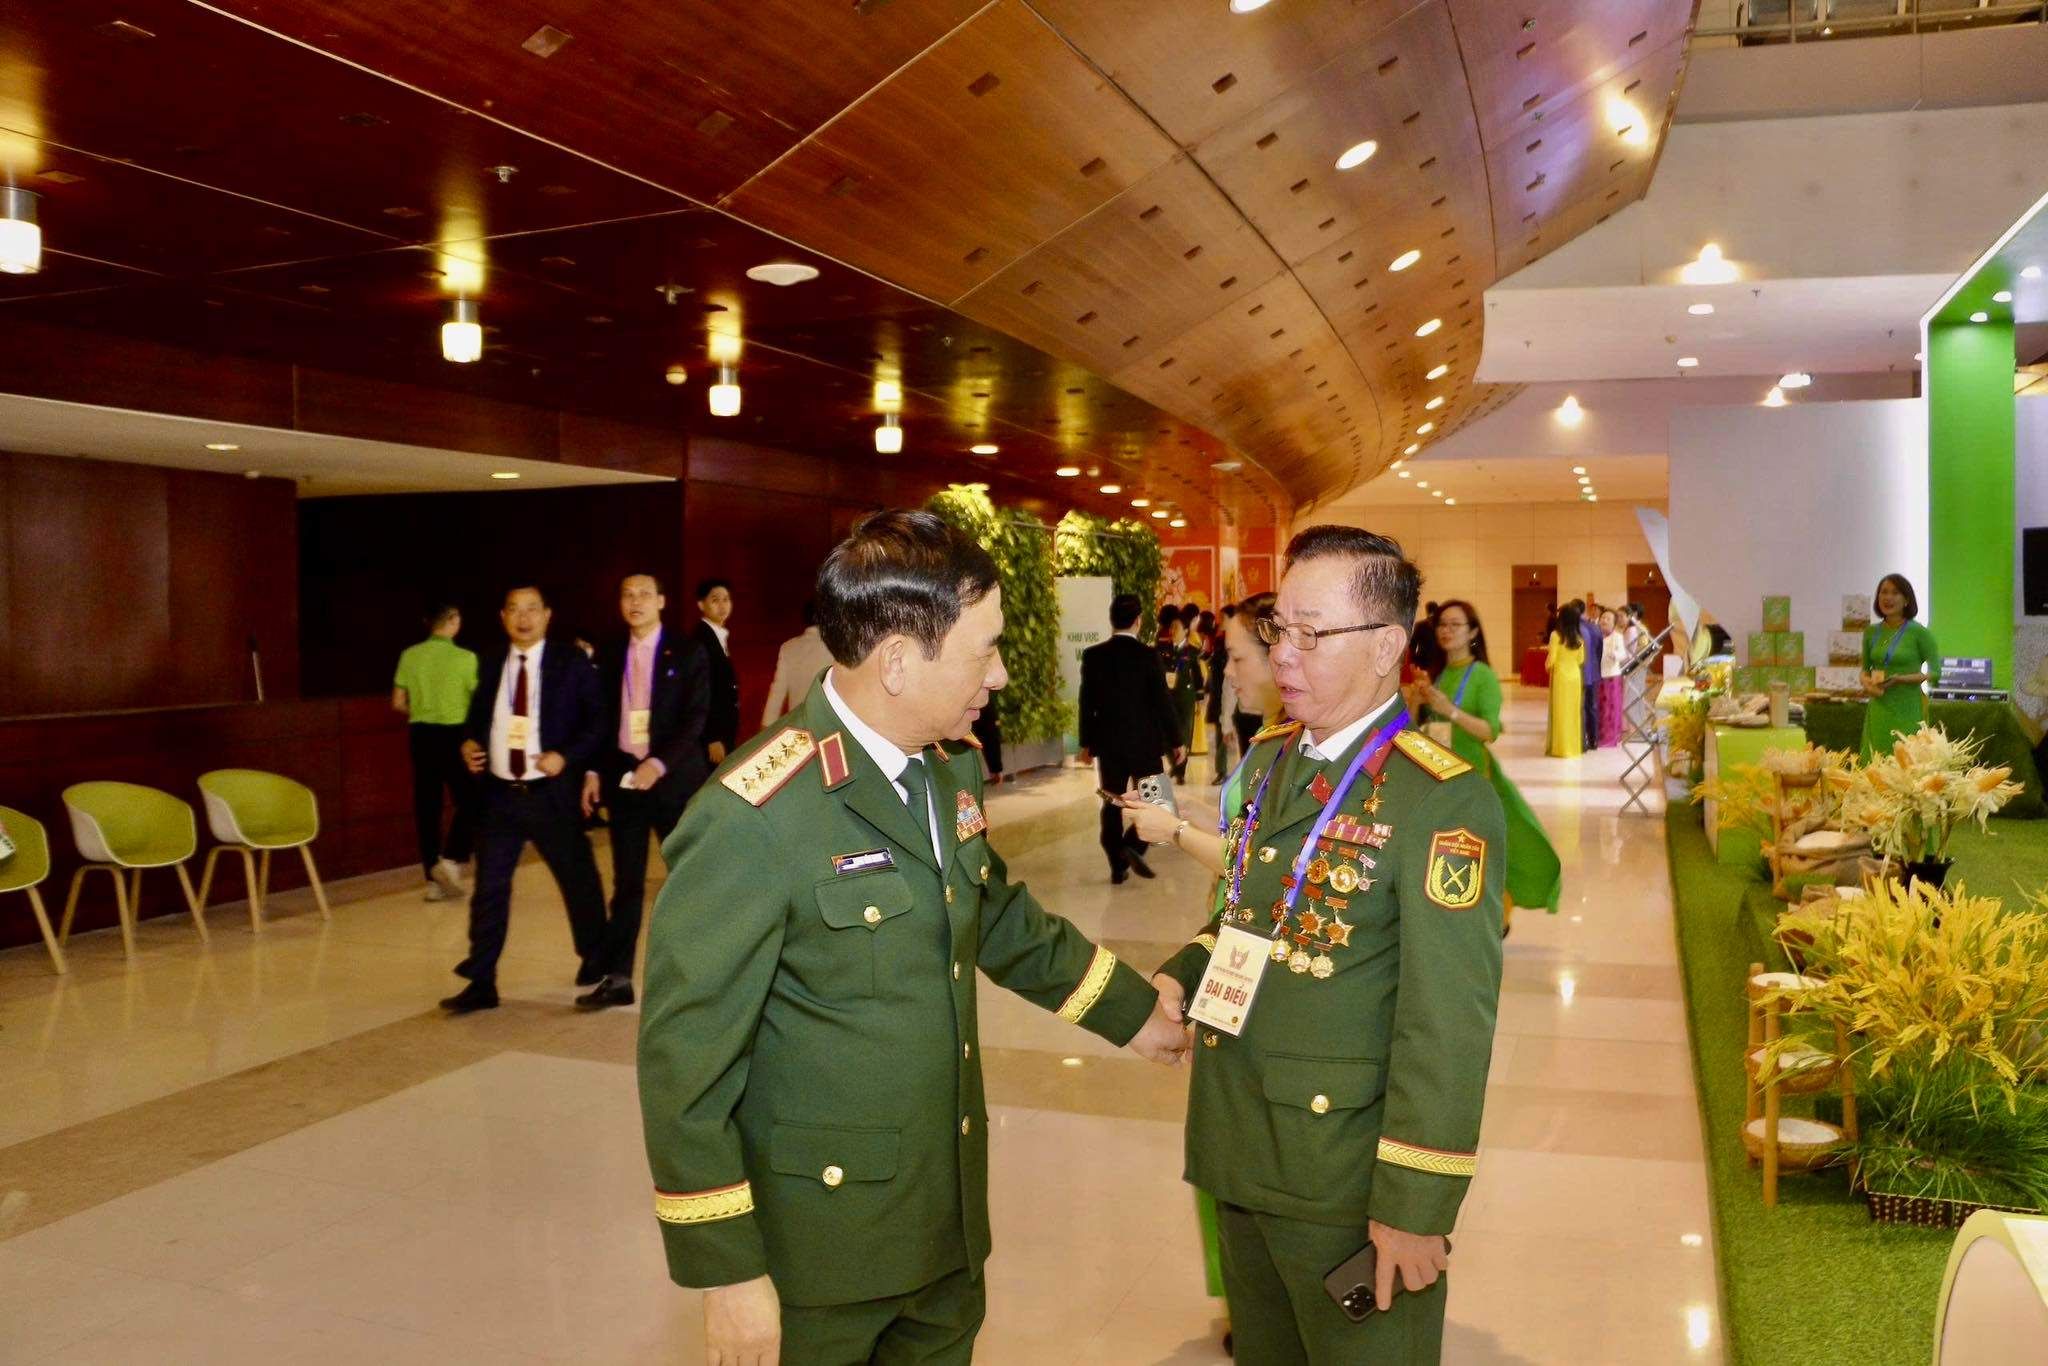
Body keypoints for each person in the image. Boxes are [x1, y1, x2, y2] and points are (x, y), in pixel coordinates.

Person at [635, 509, 1190, 1366]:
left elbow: (992, 913)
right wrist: (728, 1272)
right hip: (820, 1257)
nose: (1001, 674)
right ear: (897, 659)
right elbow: (685, 1059)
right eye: (984, 650)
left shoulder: (945, 767)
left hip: (944, 1222)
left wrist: (1133, 1011)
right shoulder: (754, 815)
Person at [1147, 525, 1506, 1364]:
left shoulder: (1437, 801)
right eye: (1281, 628)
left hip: (1344, 1176)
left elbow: (1448, 1023)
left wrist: (1415, 1202)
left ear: (1386, 646)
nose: (1283, 653)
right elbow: (1247, 915)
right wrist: (1180, 978)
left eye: (1312, 633)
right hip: (1241, 1142)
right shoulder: (1274, 759)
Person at [441, 585, 610, 1014]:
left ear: (547, 615)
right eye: (514, 610)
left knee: (577, 878)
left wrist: (566, 757)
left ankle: (595, 957)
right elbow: (478, 719)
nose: (523, 617)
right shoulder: (490, 661)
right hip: (500, 795)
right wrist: (469, 743)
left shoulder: (569, 661)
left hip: (550, 793)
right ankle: (482, 979)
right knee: (489, 888)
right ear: (503, 617)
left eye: (532, 609)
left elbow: (597, 721)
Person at [576, 574, 711, 1010]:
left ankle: (704, 974)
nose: (635, 602)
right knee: (627, 883)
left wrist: (658, 763)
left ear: (662, 601)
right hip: (626, 783)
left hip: (673, 782)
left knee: (688, 879)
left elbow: (695, 718)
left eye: (644, 595)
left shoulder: (686, 651)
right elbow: (599, 718)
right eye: (627, 595)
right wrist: (593, 770)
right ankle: (618, 979)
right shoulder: (609, 653)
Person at [1419, 601, 1563, 933]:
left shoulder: (1482, 676)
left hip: (1470, 777)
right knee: (1444, 849)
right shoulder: (1440, 673)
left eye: (1455, 624)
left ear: (1472, 632)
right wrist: (1419, 701)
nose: (1446, 630)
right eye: (1442, 624)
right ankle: (1453, 913)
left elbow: (1490, 730)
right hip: (1438, 775)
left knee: (1473, 848)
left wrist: (1450, 710)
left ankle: (1498, 914)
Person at [1079, 593, 1186, 884]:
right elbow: (1163, 702)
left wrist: (1086, 743)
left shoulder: (1094, 656)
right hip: (1145, 743)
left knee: (1112, 801)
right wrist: (1176, 740)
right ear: (1138, 621)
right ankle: (1133, 845)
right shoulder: (1148, 656)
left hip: (1109, 744)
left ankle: (1117, 864)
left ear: (1112, 620)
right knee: (1156, 798)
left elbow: (1086, 702)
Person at [391, 603, 479, 902]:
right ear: (452, 620)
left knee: (427, 807)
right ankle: (450, 860)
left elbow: (397, 702)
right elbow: (478, 702)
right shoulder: (466, 658)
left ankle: (433, 880)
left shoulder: (410, 655)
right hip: (456, 735)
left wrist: (421, 710)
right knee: (472, 800)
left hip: (421, 735)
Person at [1861, 573, 1939, 758]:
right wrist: (1866, 683)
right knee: (1875, 760)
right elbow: (1865, 670)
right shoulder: (1871, 632)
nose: (1888, 598)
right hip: (1878, 705)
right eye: (1884, 592)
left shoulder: (1919, 633)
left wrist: (1900, 679)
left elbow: (1935, 673)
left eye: (1895, 593)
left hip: (1908, 707)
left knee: (1907, 762)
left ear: (1906, 600)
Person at [761, 601, 834, 726]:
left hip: (799, 727)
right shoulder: (836, 648)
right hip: (829, 727)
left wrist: (766, 725)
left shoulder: (788, 648)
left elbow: (777, 693)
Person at [693, 578, 740, 765]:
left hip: (724, 731)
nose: (722, 605)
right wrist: (712, 737)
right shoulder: (701, 640)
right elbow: (701, 691)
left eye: (726, 599)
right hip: (713, 737)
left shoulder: (717, 635)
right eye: (715, 600)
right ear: (701, 605)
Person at [1546, 604, 1586, 759]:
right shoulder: (1579, 638)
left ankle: (1561, 748)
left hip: (1561, 677)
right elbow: (1580, 660)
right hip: (1575, 677)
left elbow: (1551, 660)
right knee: (1573, 712)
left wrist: (1547, 667)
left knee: (1561, 713)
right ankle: (1573, 747)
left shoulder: (1556, 635)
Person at [1598, 608, 1628, 747]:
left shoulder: (1617, 637)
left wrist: (1615, 655)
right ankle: (1599, 735)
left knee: (1611, 708)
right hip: (1598, 675)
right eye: (1603, 618)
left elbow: (1623, 654)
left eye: (1608, 619)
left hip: (1612, 676)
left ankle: (1611, 737)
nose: (1604, 620)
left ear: (1614, 623)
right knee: (1600, 707)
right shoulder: (1596, 635)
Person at [1577, 599, 1604, 750]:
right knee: (1591, 706)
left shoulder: (1573, 628)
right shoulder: (1594, 627)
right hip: (1593, 671)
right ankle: (1594, 739)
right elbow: (1600, 651)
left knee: (1579, 707)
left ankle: (1582, 740)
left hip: (1578, 672)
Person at [1409, 599, 1443, 678]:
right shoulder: (1441, 626)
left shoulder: (1420, 625)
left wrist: (1413, 661)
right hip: (1436, 661)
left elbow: (1413, 645)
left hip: (1423, 661)